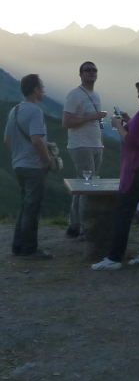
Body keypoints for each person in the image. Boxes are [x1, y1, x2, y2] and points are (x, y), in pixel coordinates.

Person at [92, 78, 139, 270]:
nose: (138, 95)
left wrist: (118, 125)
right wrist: (128, 120)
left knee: (123, 212)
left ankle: (114, 258)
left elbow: (133, 142)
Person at [4, 74, 59, 258]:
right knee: (32, 208)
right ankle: (30, 249)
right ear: (35, 90)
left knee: (25, 206)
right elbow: (37, 140)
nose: (43, 90)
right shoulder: (35, 111)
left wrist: (19, 154)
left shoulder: (15, 110)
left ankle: (17, 246)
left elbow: (7, 139)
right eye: (42, 87)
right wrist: (46, 160)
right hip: (33, 167)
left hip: (18, 165)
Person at [62, 61, 107, 238]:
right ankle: (82, 228)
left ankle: (75, 225)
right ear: (80, 74)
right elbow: (66, 123)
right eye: (87, 70)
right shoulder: (74, 95)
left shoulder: (95, 95)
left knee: (85, 184)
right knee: (86, 186)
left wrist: (101, 141)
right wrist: (92, 117)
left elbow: (96, 122)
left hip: (96, 145)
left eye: (94, 70)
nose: (91, 73)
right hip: (81, 145)